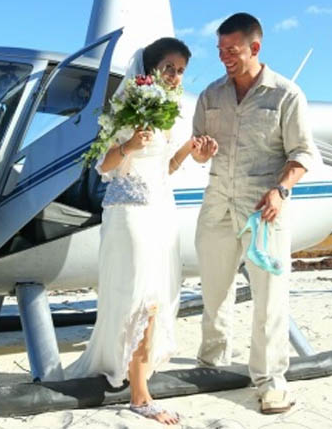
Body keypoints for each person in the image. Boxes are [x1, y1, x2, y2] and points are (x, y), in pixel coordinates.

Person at [66, 37, 216, 425]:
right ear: (151, 69)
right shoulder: (128, 104)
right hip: (129, 210)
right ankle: (138, 393)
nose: (175, 76)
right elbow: (104, 166)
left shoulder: (168, 110)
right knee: (141, 294)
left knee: (159, 294)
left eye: (181, 70)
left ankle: (137, 374)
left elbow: (164, 168)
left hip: (161, 209)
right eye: (169, 67)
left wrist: (190, 152)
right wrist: (130, 143)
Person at [191, 13, 316, 414]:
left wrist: (281, 190)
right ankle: (211, 364)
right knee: (213, 289)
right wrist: (200, 152)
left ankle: (270, 379)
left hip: (265, 210)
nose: (224, 56)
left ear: (254, 48)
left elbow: (302, 154)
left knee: (270, 297)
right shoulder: (210, 95)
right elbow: (197, 149)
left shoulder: (286, 94)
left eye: (232, 49)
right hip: (217, 205)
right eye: (220, 50)